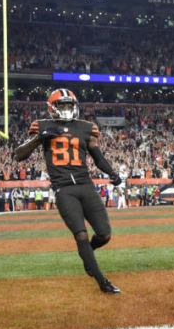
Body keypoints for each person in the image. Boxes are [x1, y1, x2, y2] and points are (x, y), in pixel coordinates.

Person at [14, 88, 122, 294]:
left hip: (85, 184)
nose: (65, 109)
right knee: (80, 234)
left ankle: (87, 254)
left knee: (105, 234)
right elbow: (18, 156)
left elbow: (97, 157)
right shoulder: (42, 126)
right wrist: (39, 138)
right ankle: (101, 280)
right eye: (61, 105)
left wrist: (112, 173)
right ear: (52, 108)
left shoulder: (85, 128)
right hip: (63, 188)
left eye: (68, 105)